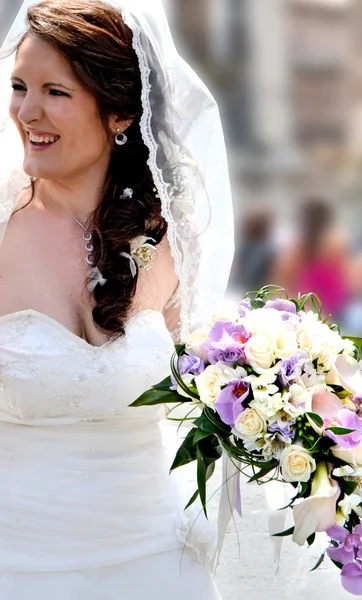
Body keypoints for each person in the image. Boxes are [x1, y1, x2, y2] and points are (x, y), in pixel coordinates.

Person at [0, 0, 234, 598]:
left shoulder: (173, 237)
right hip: (20, 567)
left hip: (157, 565)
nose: (26, 112)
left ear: (120, 113)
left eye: (55, 92)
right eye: (19, 86)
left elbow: (213, 388)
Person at [271, 196, 351, 322]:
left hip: (302, 314)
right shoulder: (337, 245)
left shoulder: (294, 248)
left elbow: (280, 287)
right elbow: (346, 283)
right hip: (333, 314)